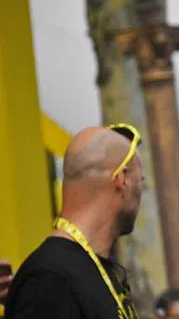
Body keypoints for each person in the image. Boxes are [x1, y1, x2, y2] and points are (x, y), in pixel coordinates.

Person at [4, 124, 145, 319]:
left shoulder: (91, 270)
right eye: (142, 181)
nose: (141, 195)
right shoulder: (50, 280)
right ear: (122, 180)